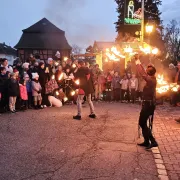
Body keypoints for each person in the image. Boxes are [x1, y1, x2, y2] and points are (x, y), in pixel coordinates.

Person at [135, 54, 158, 149]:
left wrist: (137, 61)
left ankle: (152, 141)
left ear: (150, 72)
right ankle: (147, 141)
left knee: (142, 122)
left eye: (148, 68)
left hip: (149, 104)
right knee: (143, 122)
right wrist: (138, 61)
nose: (146, 68)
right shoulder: (151, 78)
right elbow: (143, 71)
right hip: (147, 103)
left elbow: (142, 73)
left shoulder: (151, 80)